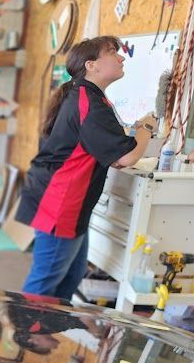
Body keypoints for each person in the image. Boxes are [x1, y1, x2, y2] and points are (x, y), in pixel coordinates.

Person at [17, 36, 155, 299]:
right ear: (91, 65)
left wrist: (136, 136)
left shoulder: (85, 96)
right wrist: (145, 128)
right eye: (112, 52)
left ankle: (44, 328)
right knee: (45, 280)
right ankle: (29, 334)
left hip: (64, 201)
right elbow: (126, 157)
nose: (120, 57)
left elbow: (112, 152)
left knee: (72, 274)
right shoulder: (87, 102)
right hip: (60, 203)